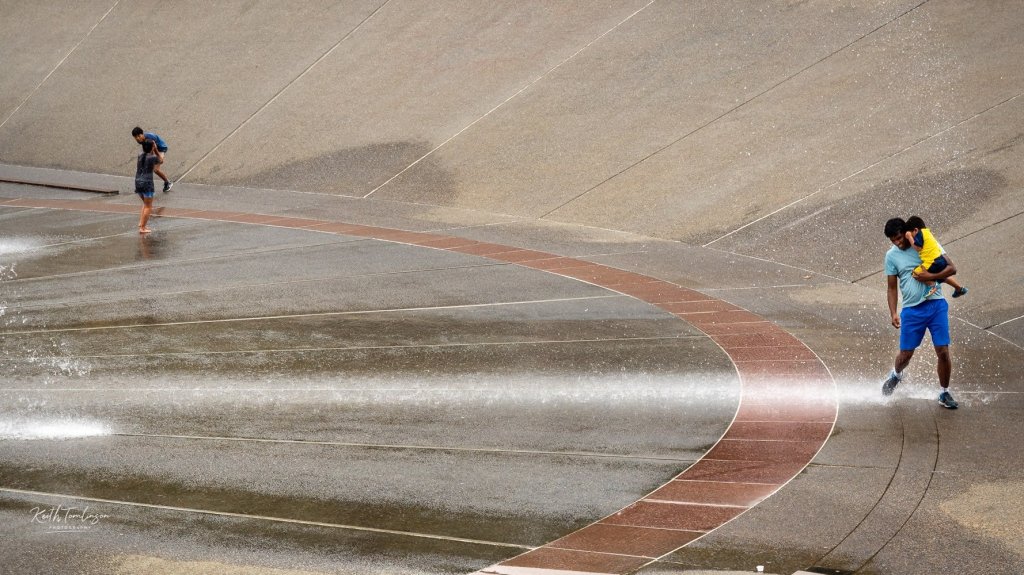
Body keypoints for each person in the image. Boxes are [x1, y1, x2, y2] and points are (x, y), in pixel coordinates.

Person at [881, 217, 959, 408]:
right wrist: (893, 312)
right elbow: (892, 288)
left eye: (899, 238)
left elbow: (951, 268)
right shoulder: (891, 256)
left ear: (907, 233)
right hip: (911, 310)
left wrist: (930, 276)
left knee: (943, 351)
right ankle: (896, 374)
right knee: (905, 355)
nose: (897, 243)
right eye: (893, 240)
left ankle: (944, 392)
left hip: (936, 304)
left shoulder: (926, 244)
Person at [903, 215, 967, 298]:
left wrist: (909, 237)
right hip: (940, 260)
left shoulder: (919, 234)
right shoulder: (928, 233)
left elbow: (918, 248)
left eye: (912, 234)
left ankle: (932, 286)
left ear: (915, 230)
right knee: (942, 276)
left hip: (932, 262)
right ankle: (959, 288)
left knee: (915, 273)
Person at [132, 126, 172, 192]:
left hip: (161, 148)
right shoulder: (140, 140)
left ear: (142, 134)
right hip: (152, 149)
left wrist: (159, 158)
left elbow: (154, 149)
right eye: (135, 137)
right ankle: (141, 185)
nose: (138, 138)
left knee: (155, 170)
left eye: (139, 136)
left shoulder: (150, 138)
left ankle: (168, 182)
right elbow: (146, 148)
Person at [135, 140, 161, 234]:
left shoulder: (140, 155)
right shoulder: (153, 157)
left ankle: (141, 223)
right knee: (148, 206)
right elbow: (161, 161)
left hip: (138, 182)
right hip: (147, 183)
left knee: (145, 204)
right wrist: (156, 150)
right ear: (152, 147)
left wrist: (152, 148)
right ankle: (143, 228)